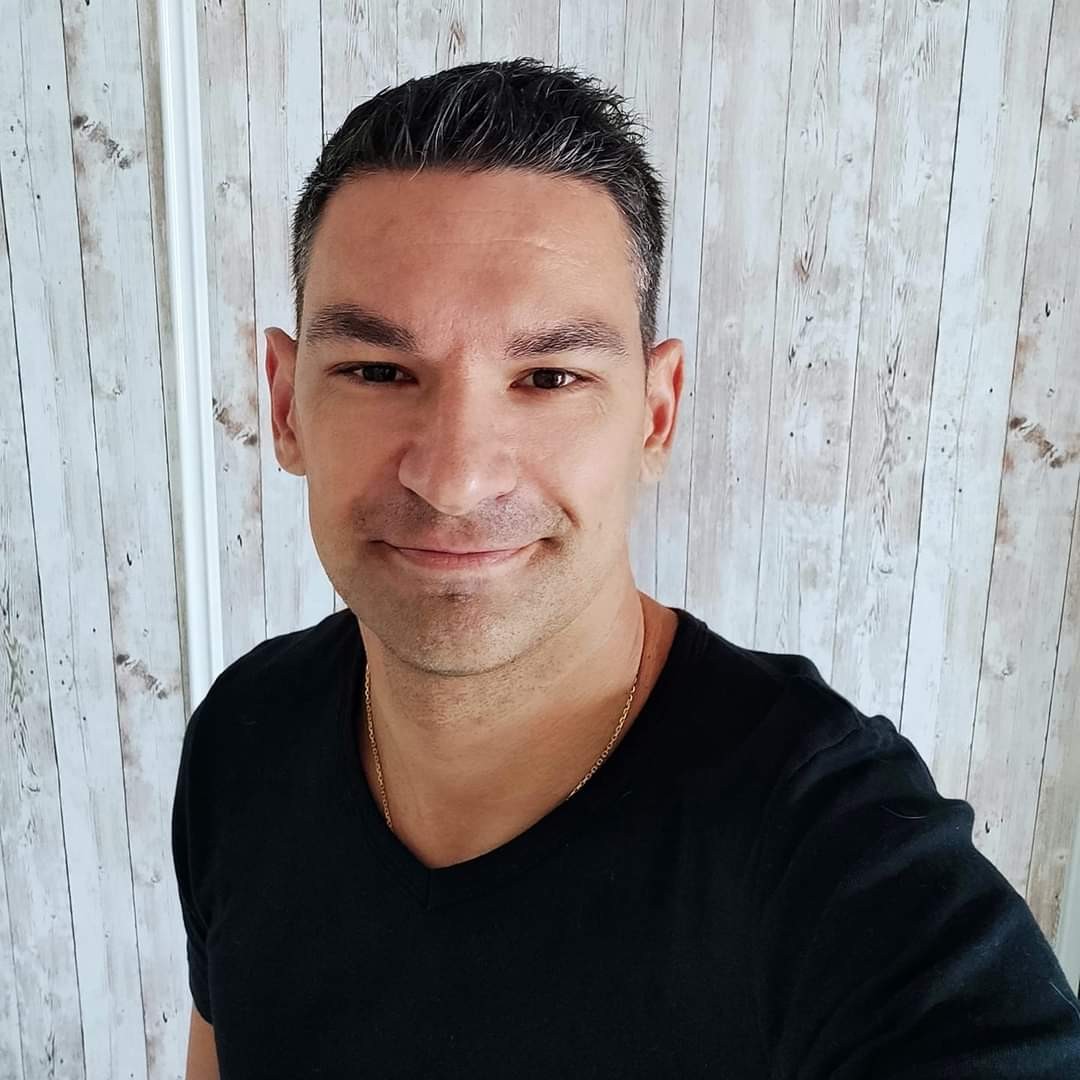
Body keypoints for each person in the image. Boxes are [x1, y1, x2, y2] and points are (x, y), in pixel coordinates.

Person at [173, 56, 1080, 1079]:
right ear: (286, 403)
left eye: (548, 376)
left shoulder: (825, 849)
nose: (457, 478)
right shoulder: (240, 743)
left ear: (655, 414)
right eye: (378, 370)